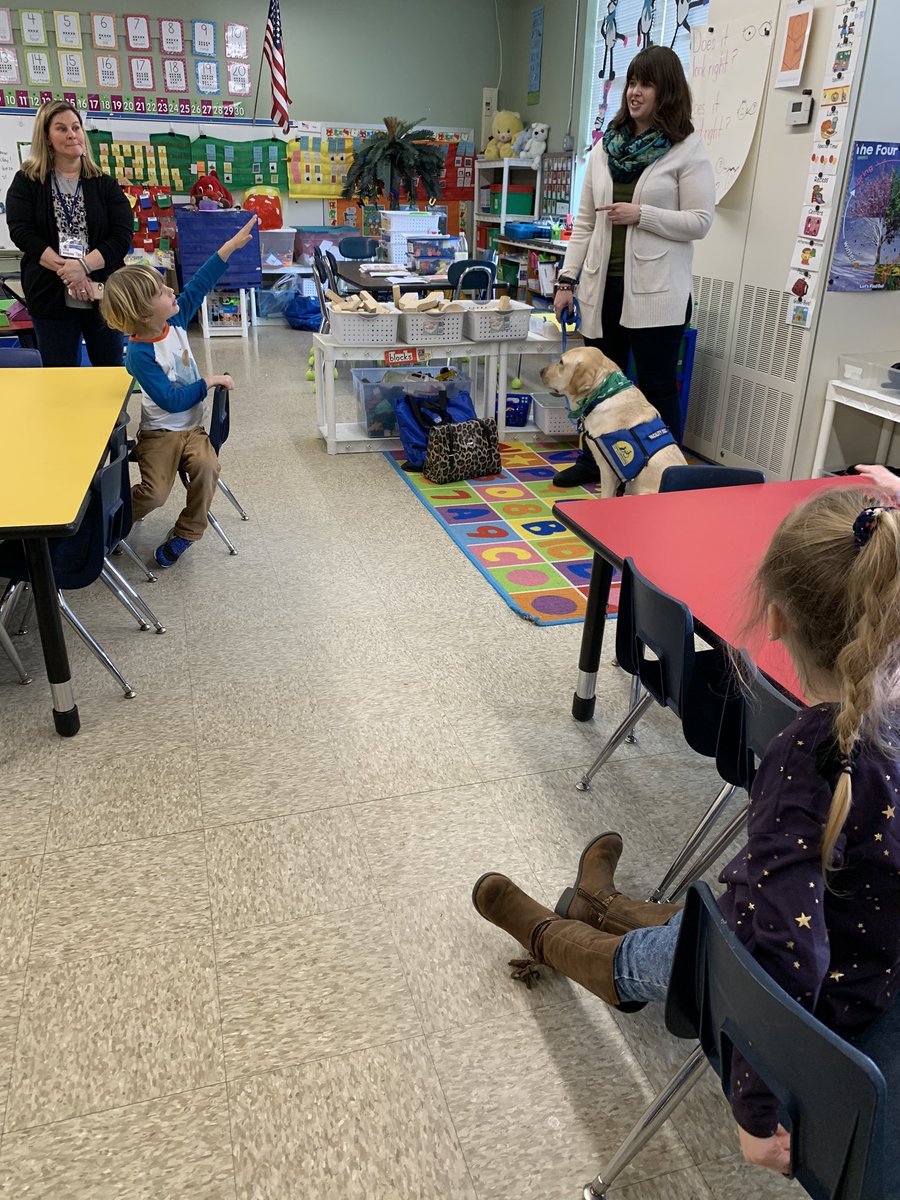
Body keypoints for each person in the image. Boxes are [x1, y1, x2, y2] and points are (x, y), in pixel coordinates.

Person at [472, 484, 900, 1176]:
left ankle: (547, 935)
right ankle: (600, 904)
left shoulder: (808, 756)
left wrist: (754, 1112)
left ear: (779, 621)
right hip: (869, 955)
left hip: (818, 1000)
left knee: (662, 958)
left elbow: (785, 962)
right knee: (706, 920)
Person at [551, 46, 715, 488]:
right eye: (631, 83)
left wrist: (643, 215)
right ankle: (594, 462)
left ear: (667, 92)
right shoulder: (607, 146)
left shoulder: (686, 149)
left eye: (646, 84)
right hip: (602, 288)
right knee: (595, 384)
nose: (635, 92)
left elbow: (700, 222)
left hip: (658, 294)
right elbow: (584, 222)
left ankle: (669, 473)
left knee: (657, 385)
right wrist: (567, 279)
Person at [99, 217, 256, 568]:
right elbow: (171, 400)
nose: (172, 292)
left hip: (193, 431)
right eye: (161, 292)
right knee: (154, 494)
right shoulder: (140, 354)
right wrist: (209, 382)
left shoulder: (176, 321)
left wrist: (230, 246)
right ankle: (109, 523)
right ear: (142, 313)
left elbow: (200, 282)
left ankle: (187, 532)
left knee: (207, 467)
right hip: (159, 434)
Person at [6, 100, 133, 367]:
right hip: (49, 294)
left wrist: (84, 267)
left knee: (109, 371)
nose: (72, 134)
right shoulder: (27, 182)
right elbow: (22, 232)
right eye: (61, 129)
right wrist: (71, 273)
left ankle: (112, 413)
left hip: (102, 292)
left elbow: (121, 237)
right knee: (59, 374)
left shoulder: (104, 184)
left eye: (76, 127)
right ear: (47, 138)